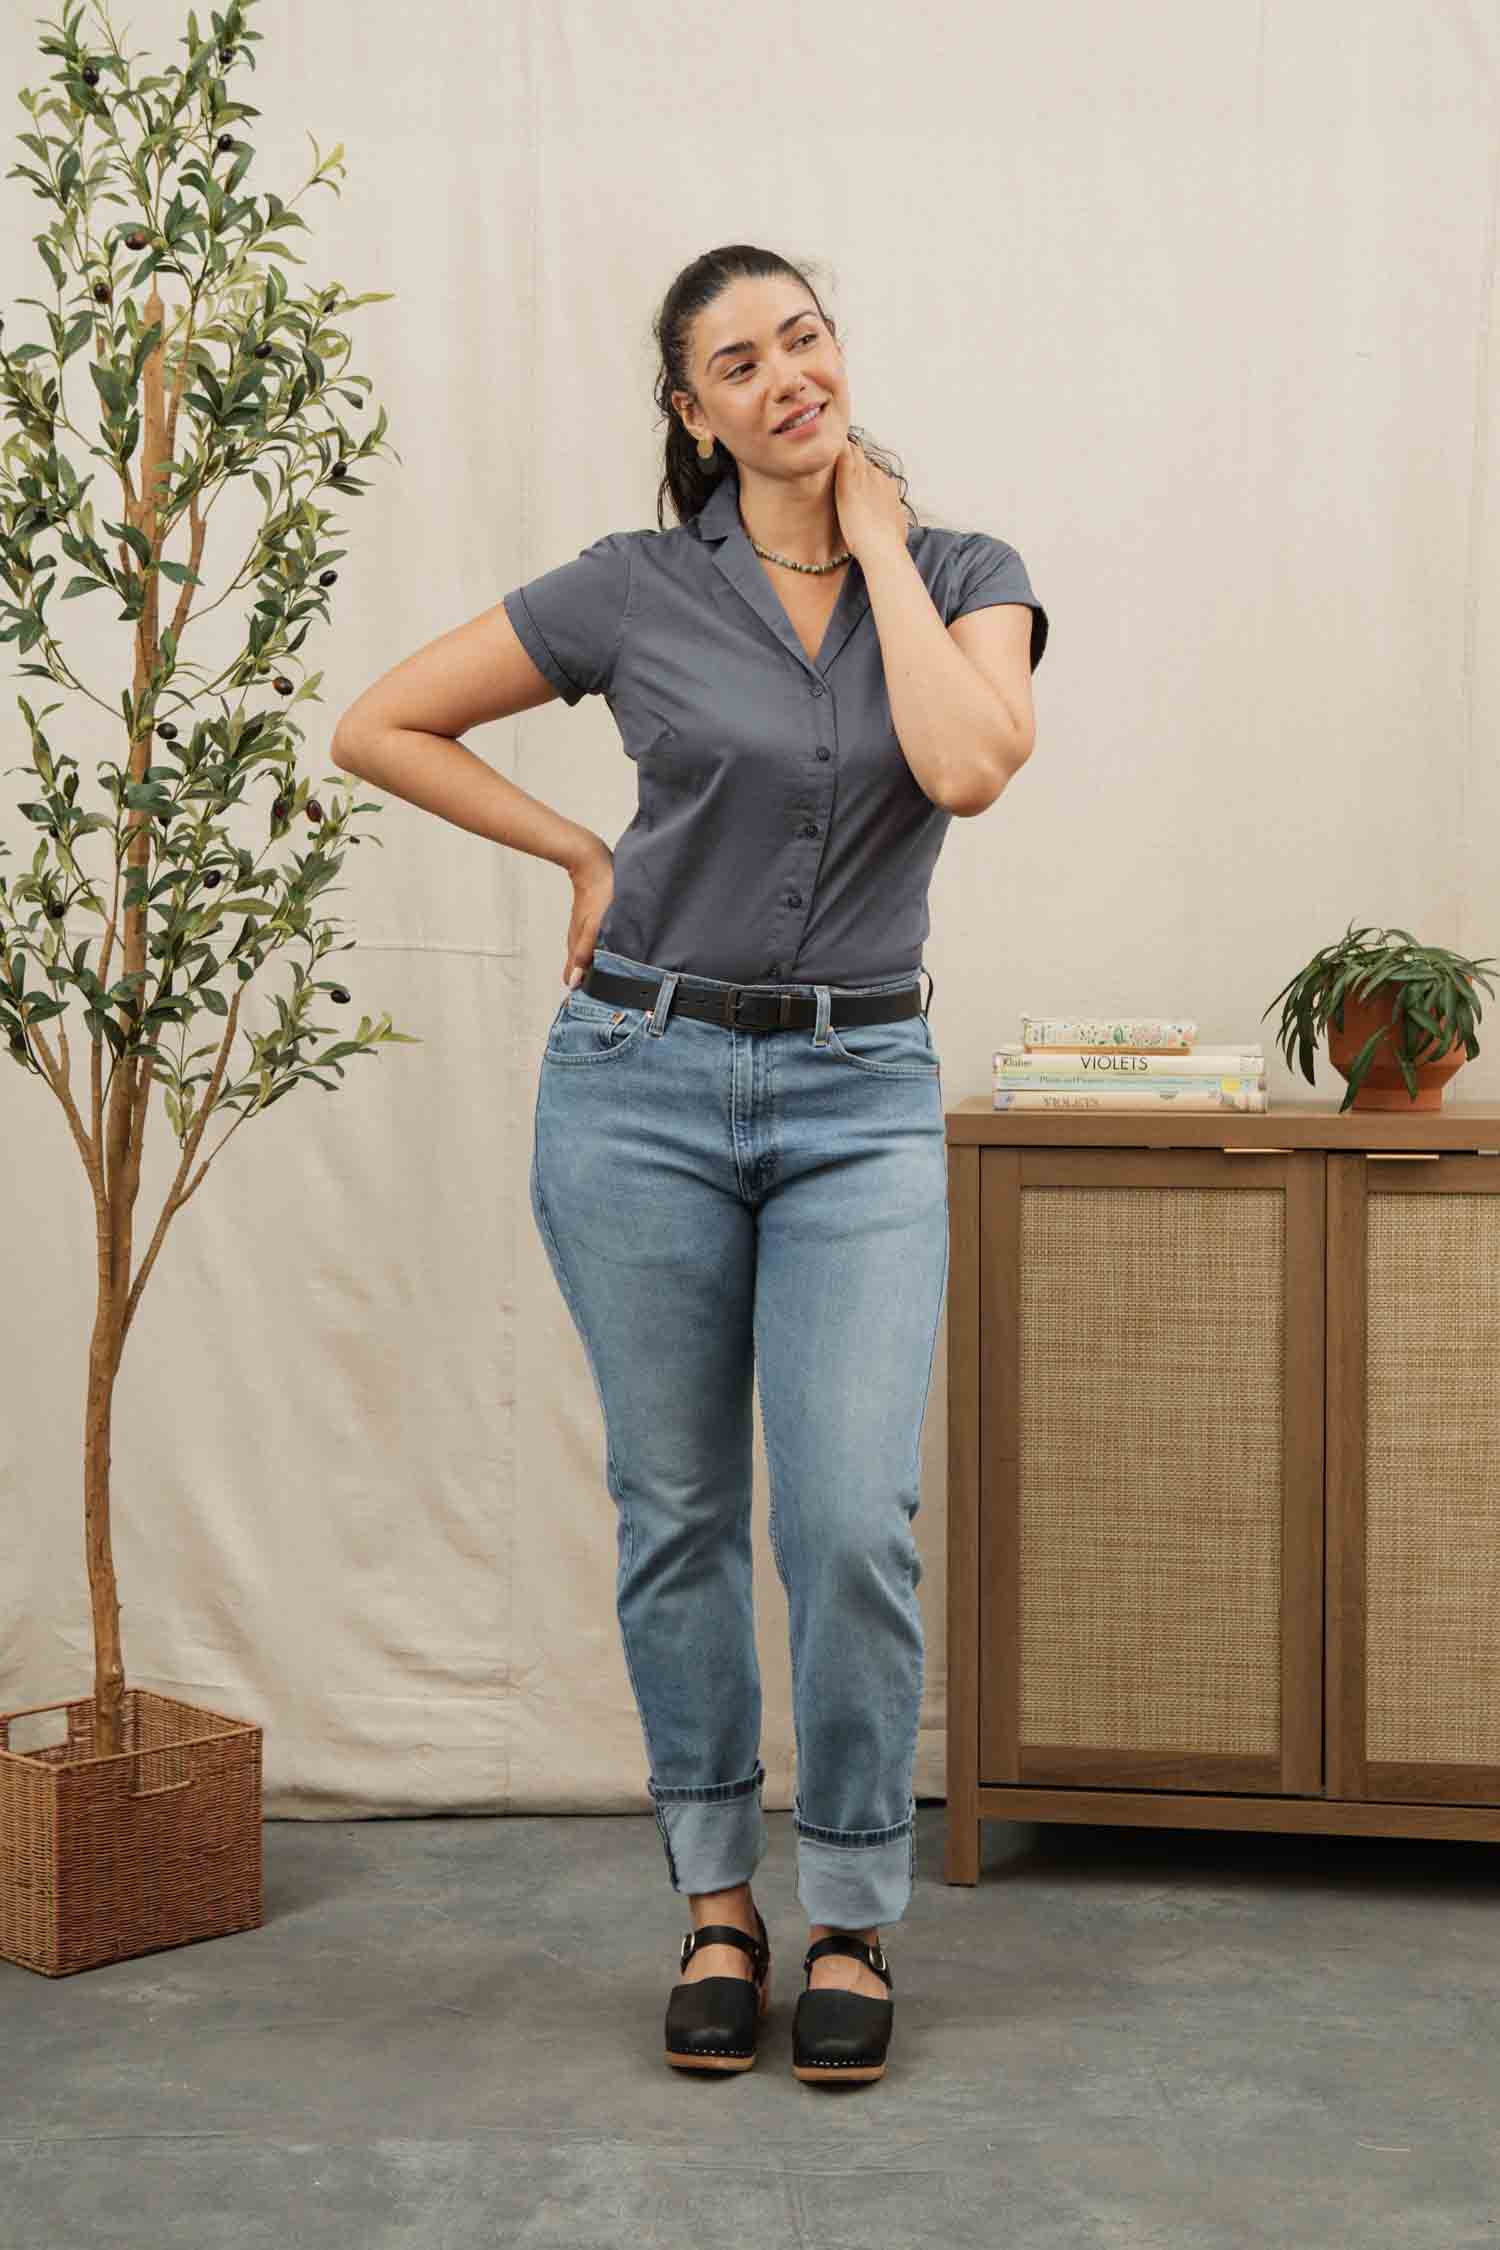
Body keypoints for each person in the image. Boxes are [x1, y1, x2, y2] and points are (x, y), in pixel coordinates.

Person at [332, 245, 1048, 2086]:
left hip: (857, 1092)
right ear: (694, 411)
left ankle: (854, 1910)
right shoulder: (634, 588)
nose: (785, 374)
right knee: (679, 1513)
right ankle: (719, 1905)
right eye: (739, 362)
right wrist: (580, 854)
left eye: (804, 337)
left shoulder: (968, 573)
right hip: (638, 1080)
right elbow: (379, 722)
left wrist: (876, 537)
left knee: (848, 1518)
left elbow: (970, 766)